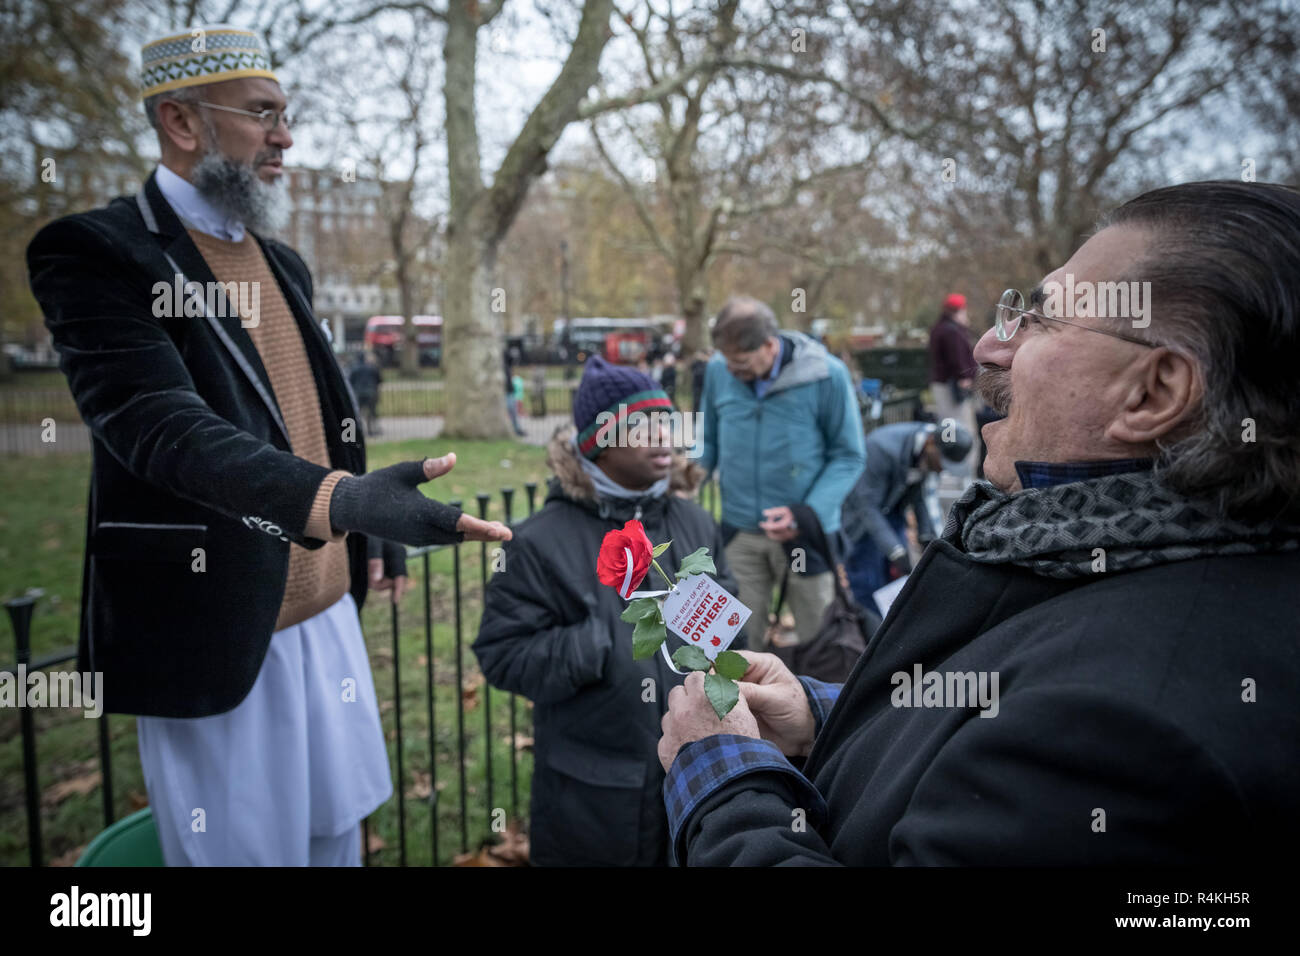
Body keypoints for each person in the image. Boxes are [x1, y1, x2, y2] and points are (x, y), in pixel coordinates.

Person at [658, 180, 1300, 865]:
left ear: (1153, 392)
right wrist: (826, 716)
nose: (989, 347)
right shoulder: (1095, 557)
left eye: (1044, 319)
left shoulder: (1122, 734)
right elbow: (997, 705)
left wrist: (724, 778)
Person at [25, 24, 510, 866]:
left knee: (336, 839)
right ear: (182, 122)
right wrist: (339, 501)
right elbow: (158, 425)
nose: (286, 136)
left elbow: (321, 417)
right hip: (215, 625)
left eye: (287, 114)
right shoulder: (95, 252)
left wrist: (370, 527)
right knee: (245, 854)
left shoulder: (282, 261)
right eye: (263, 114)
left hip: (326, 614)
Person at [474, 356, 738, 866]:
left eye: (665, 420)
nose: (662, 435)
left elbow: (727, 622)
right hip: (594, 795)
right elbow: (503, 654)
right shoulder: (537, 543)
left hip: (696, 775)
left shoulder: (697, 523)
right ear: (598, 443)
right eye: (640, 426)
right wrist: (598, 644)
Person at [696, 296, 865, 649]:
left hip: (804, 534)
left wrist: (807, 514)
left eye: (740, 362)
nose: (730, 371)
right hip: (739, 534)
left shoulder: (826, 375)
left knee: (823, 644)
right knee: (732, 647)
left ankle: (816, 704)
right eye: (725, 361)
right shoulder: (718, 370)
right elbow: (708, 440)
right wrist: (691, 476)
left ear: (770, 345)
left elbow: (849, 456)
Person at [839, 421, 973, 609]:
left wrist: (929, 539)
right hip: (862, 520)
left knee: (897, 578)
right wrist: (895, 551)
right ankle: (871, 631)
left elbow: (924, 498)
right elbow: (866, 506)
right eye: (942, 461)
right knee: (868, 583)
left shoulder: (927, 454)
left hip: (892, 511)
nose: (943, 469)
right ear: (931, 443)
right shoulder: (881, 448)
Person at [927, 292, 979, 477]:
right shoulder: (952, 331)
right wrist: (965, 377)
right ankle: (961, 470)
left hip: (945, 386)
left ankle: (951, 468)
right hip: (953, 389)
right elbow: (958, 360)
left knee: (949, 427)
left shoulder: (940, 328)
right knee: (961, 430)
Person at [347, 351, 382, 436]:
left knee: (356, 413)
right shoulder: (372, 368)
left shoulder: (354, 368)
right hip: (371, 392)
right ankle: (372, 431)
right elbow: (379, 380)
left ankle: (354, 433)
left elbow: (350, 381)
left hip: (358, 393)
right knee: (372, 412)